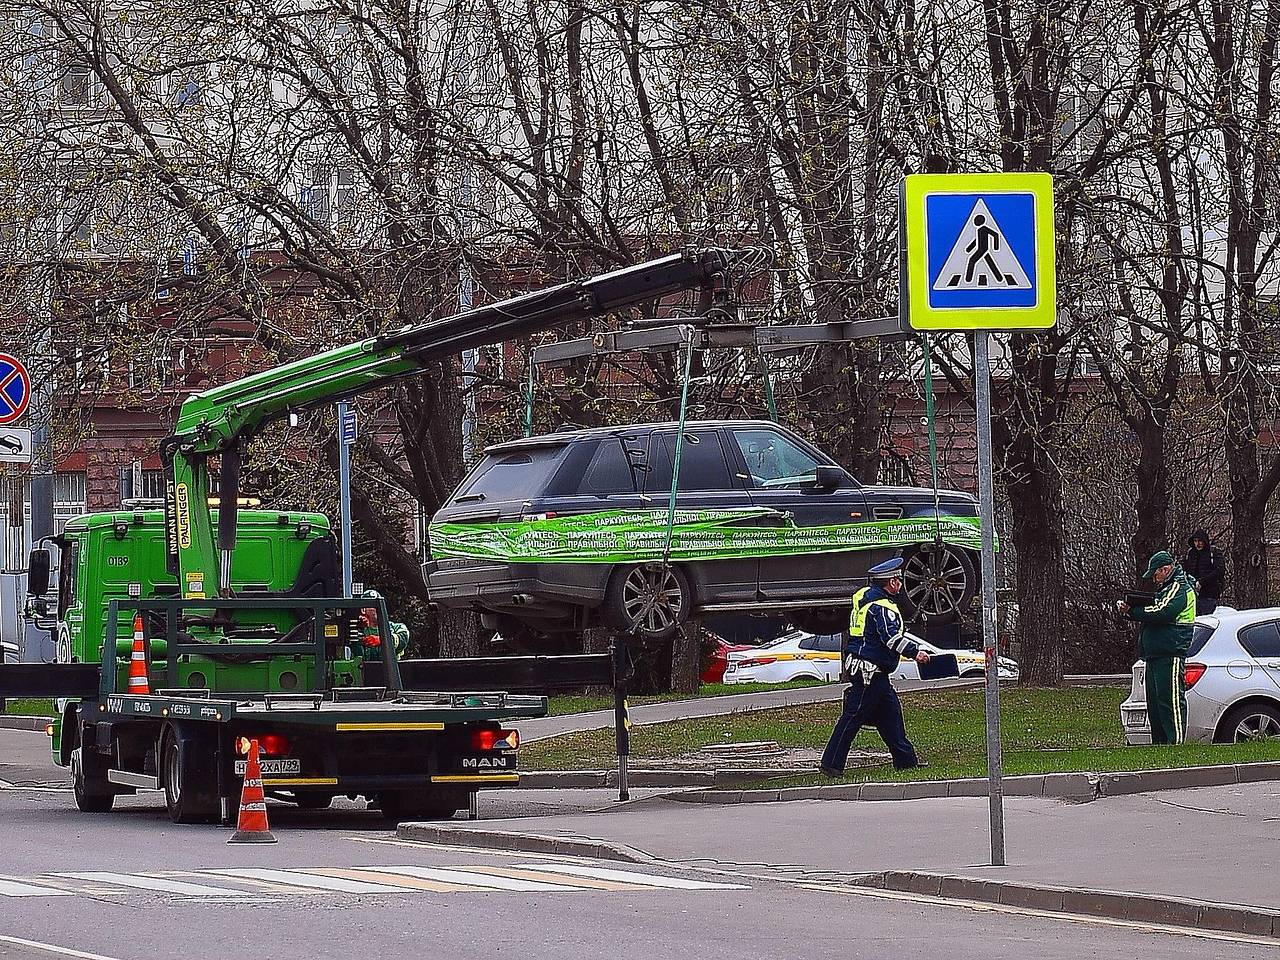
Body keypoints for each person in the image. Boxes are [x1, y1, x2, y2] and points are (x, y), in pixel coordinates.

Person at [820, 557, 931, 775]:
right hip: (869, 672)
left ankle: (906, 761)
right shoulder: (882, 607)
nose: (900, 584)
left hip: (871, 671)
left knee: (891, 716)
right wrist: (915, 652)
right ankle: (831, 764)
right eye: (897, 580)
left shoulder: (864, 599)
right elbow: (890, 638)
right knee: (852, 717)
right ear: (890, 583)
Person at [1117, 550, 1196, 745]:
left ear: (1165, 569)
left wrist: (1133, 611)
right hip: (1156, 654)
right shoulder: (1166, 588)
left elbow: (1162, 611)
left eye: (1155, 574)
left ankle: (1174, 743)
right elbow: (1156, 606)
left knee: (1170, 702)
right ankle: (1160, 744)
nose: (1154, 578)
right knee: (1156, 705)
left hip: (1170, 651)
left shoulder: (1179, 588)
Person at [1182, 530, 1225, 615]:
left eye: (1200, 541)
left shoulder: (1213, 552)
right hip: (1192, 594)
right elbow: (1186, 569)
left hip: (1209, 594)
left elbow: (1219, 571)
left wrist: (1202, 581)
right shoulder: (1191, 553)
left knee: (1207, 620)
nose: (1198, 544)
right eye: (1195, 541)